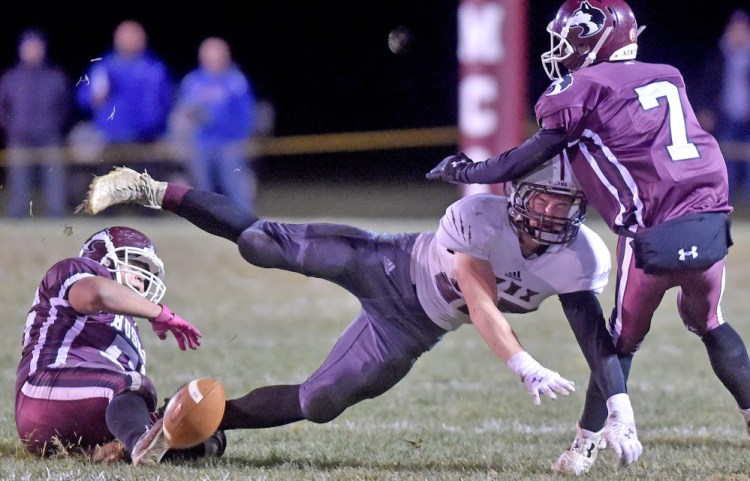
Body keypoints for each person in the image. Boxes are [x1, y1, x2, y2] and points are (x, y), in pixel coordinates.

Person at [78, 161, 641, 469]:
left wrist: (618, 406)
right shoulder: (480, 217)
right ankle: (151, 187)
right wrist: (524, 364)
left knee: (320, 403)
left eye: (561, 204)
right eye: (540, 198)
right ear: (518, 194)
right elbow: (480, 300)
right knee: (260, 244)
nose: (548, 211)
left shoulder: (580, 258)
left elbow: (596, 337)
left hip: (413, 328)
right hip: (388, 264)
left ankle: (189, 428)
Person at [427, 0, 749, 475]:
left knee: (619, 343)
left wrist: (465, 167)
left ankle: (584, 447)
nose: (559, 51)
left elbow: (516, 163)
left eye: (566, 40)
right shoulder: (667, 74)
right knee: (710, 321)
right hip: (711, 222)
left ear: (593, 39)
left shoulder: (581, 87)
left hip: (651, 233)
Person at [14, 225, 214, 465]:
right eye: (136, 265)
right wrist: (159, 313)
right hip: (43, 391)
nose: (142, 278)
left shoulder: (131, 332)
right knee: (134, 383)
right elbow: (97, 294)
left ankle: (117, 449)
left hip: (85, 419)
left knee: (194, 427)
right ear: (104, 257)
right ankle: (142, 444)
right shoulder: (75, 271)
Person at [75, 20, 172, 178]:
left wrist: (154, 128)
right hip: (110, 141)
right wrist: (94, 97)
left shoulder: (154, 68)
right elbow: (83, 98)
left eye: (135, 36)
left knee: (145, 192)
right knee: (107, 190)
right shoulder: (104, 67)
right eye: (125, 37)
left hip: (145, 141)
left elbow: (165, 102)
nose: (130, 41)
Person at [172, 37, 256, 209]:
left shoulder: (236, 80)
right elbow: (181, 111)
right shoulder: (192, 81)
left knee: (235, 187)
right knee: (204, 190)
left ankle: (244, 224)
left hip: (230, 144)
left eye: (218, 54)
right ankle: (208, 226)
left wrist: (242, 139)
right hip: (200, 144)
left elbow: (247, 114)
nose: (214, 59)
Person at [0, 29, 71, 218]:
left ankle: (56, 216)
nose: (32, 51)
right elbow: (2, 107)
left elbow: (64, 107)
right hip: (19, 138)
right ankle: (17, 216)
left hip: (49, 137)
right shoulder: (10, 78)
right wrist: (11, 127)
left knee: (54, 180)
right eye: (28, 47)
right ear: (20, 50)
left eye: (36, 47)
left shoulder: (55, 76)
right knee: (18, 180)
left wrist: (54, 127)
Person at [695, 10, 750, 202]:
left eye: (743, 30)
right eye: (735, 29)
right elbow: (705, 85)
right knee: (725, 160)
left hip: (747, 117)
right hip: (725, 116)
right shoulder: (718, 55)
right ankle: (728, 200)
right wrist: (705, 111)